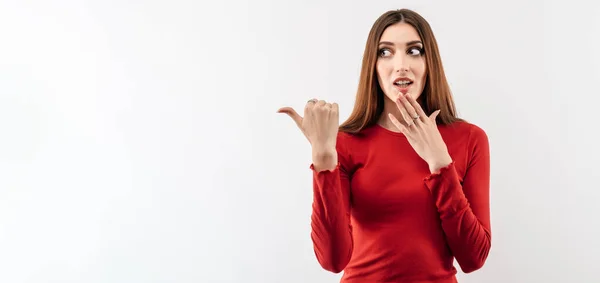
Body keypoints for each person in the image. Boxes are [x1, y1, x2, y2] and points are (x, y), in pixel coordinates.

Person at [277, 8, 491, 283]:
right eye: (385, 52)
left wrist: (441, 163)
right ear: (374, 67)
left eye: (414, 51)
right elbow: (332, 260)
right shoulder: (345, 142)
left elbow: (474, 258)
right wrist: (323, 158)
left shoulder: (469, 139)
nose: (401, 64)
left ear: (430, 63)